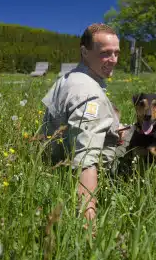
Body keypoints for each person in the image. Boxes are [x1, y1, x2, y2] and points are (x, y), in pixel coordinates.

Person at [41, 23, 132, 224]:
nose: (114, 60)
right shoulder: (90, 95)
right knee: (151, 138)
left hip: (55, 156)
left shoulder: (68, 78)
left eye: (117, 53)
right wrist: (88, 224)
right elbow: (86, 160)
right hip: (86, 163)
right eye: (105, 53)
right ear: (85, 51)